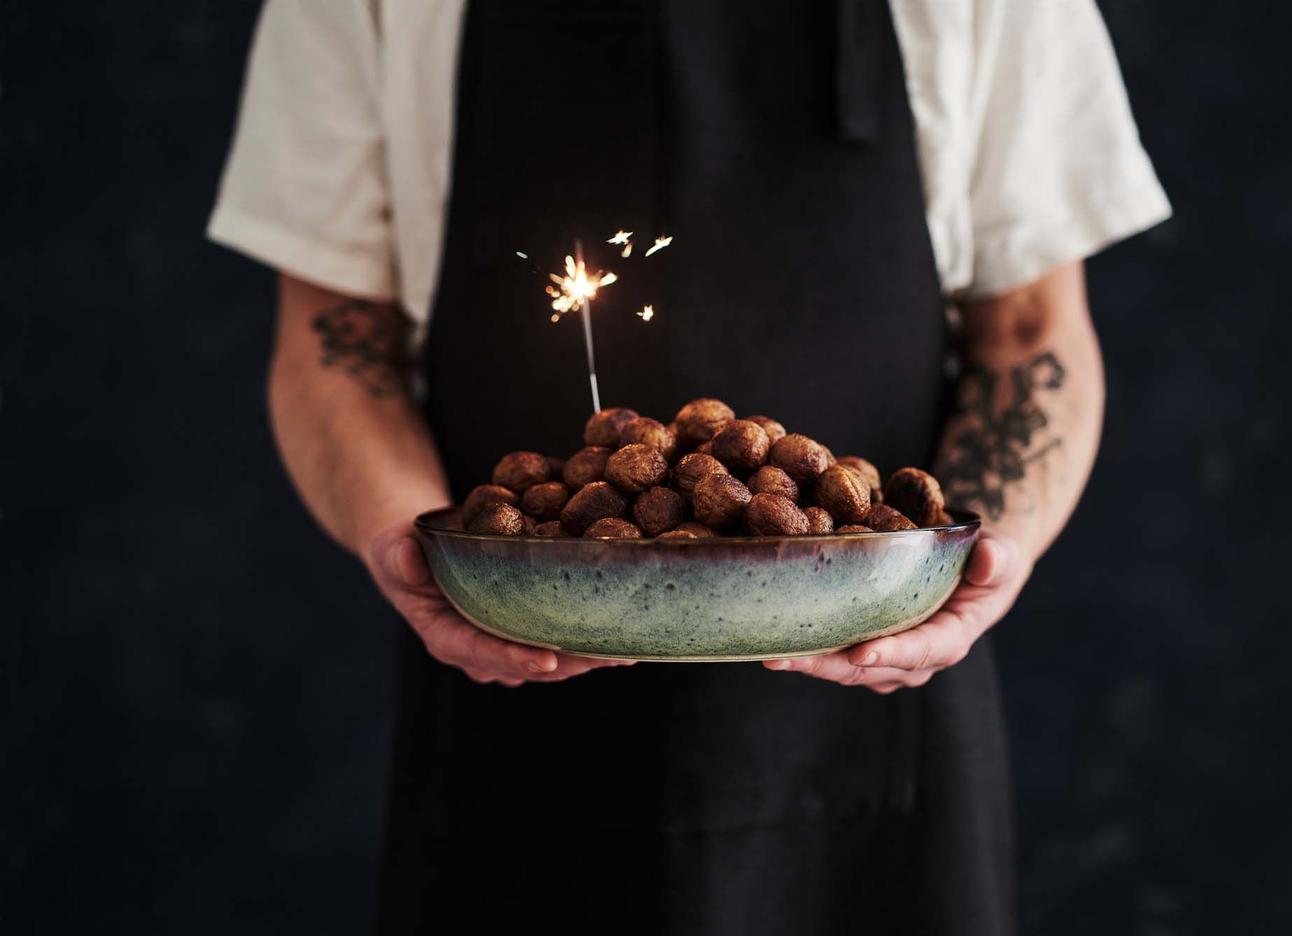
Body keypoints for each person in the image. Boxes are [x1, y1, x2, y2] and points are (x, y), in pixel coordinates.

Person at [208, 0, 1170, 931]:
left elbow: (1032, 330)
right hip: (505, 690)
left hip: (881, 713)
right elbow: (334, 342)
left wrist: (978, 557)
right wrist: (408, 543)